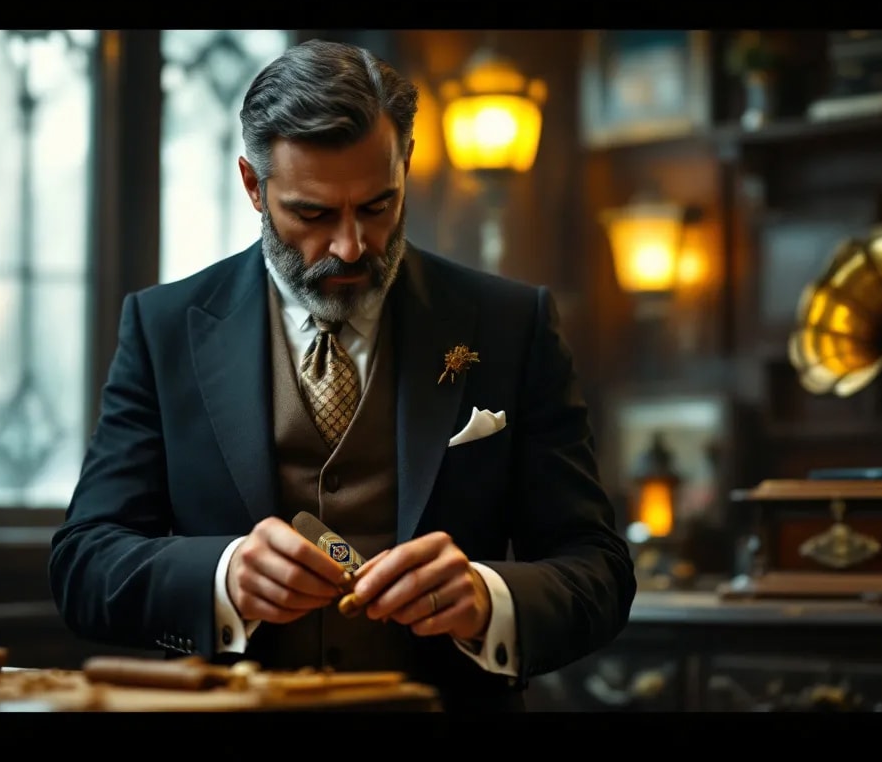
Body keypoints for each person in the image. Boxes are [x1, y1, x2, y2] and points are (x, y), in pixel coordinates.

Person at [48, 38, 636, 712]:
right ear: (253, 185)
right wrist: (222, 576)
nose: (351, 246)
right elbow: (84, 564)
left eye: (378, 206)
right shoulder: (163, 328)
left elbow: (598, 568)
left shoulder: (512, 324)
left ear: (406, 165)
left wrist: (488, 597)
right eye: (314, 214)